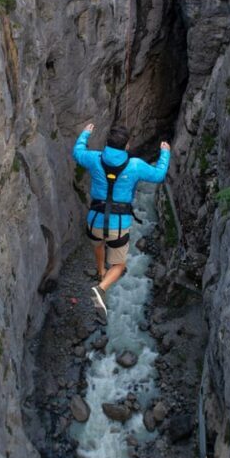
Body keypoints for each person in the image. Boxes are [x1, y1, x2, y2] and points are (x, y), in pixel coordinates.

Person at [72, 123, 171, 319]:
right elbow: (159, 175)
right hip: (119, 224)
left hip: (95, 219)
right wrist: (165, 153)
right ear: (126, 146)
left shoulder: (94, 159)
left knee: (98, 244)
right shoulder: (135, 166)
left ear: (107, 143)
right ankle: (101, 287)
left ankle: (100, 271)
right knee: (119, 266)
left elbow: (77, 152)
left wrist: (85, 133)